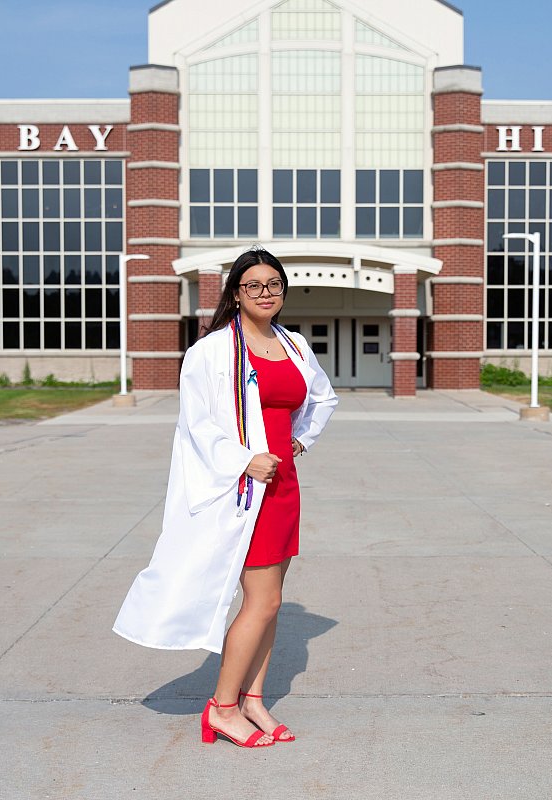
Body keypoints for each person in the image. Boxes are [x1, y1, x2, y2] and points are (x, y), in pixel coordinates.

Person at [113, 247, 337, 749]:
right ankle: (223, 707)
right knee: (264, 600)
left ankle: (253, 701)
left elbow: (322, 397)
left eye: (274, 284)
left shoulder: (294, 344)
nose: (265, 293)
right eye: (254, 285)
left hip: (283, 485)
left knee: (270, 604)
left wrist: (300, 439)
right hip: (242, 487)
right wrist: (243, 460)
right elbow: (196, 423)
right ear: (236, 293)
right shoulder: (211, 351)